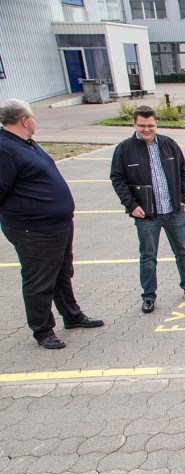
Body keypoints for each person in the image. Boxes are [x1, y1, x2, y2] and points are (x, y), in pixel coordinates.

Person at [0, 99, 103, 350]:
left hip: (57, 225)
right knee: (39, 281)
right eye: (33, 116)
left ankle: (72, 315)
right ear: (24, 120)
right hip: (33, 229)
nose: (35, 120)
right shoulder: (5, 149)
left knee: (61, 274)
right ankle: (42, 329)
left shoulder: (24, 143)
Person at [110, 105, 185, 314]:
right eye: (142, 125)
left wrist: (182, 197)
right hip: (146, 214)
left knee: (183, 251)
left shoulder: (168, 144)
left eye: (151, 125)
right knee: (148, 256)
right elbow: (117, 179)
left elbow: (183, 171)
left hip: (173, 211)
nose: (147, 129)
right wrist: (132, 205)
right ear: (134, 124)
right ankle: (148, 296)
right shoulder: (124, 149)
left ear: (156, 124)